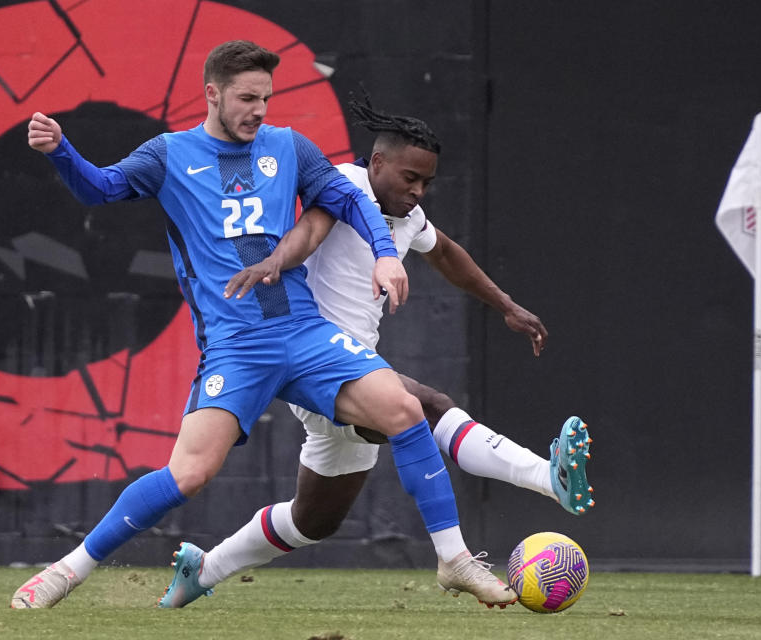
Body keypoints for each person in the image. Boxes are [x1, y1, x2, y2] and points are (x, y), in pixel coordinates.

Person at [10, 40, 516, 610]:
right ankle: (66, 571)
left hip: (303, 332)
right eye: (247, 98)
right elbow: (97, 188)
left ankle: (453, 560)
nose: (258, 110)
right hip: (236, 345)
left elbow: (349, 201)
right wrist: (60, 151)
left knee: (404, 410)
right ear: (212, 95)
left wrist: (383, 252)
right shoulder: (168, 155)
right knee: (190, 473)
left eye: (266, 99)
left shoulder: (289, 147)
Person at [156, 96, 594, 609]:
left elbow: (447, 253)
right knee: (427, 404)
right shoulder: (343, 186)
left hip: (357, 370)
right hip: (315, 364)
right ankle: (547, 478)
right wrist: (275, 260)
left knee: (313, 520)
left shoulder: (408, 215)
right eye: (410, 177)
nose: (417, 191)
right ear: (378, 163)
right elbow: (305, 231)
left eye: (427, 182)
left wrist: (506, 305)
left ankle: (203, 569)